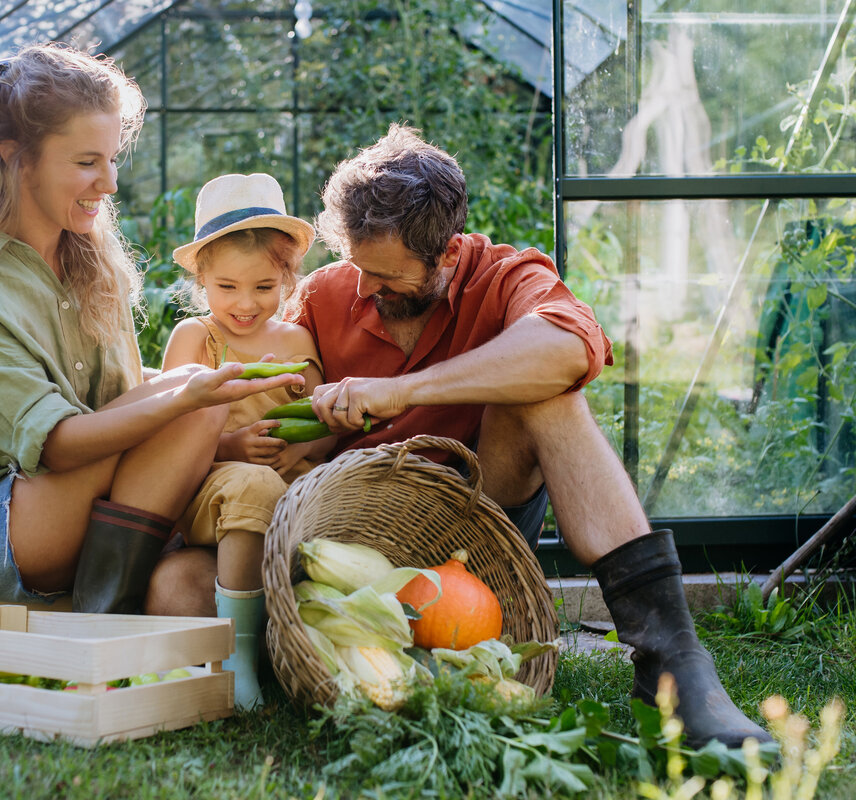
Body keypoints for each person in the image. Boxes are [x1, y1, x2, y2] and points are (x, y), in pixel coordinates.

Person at [285, 124, 772, 750]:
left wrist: (404, 392)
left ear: (450, 254)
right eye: (356, 265)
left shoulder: (506, 276)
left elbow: (567, 349)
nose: (363, 289)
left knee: (546, 390)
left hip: (479, 522)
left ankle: (671, 658)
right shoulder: (326, 295)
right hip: (360, 538)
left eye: (387, 275)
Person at [0, 43, 303, 617]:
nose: (110, 183)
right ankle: (114, 613)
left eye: (113, 159)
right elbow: (61, 444)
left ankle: (117, 596)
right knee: (191, 392)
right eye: (87, 162)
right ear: (16, 158)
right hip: (0, 526)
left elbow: (117, 399)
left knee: (196, 390)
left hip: (96, 502)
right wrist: (183, 398)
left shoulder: (91, 257)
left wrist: (196, 405)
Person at [161, 173, 332, 708]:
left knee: (318, 499)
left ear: (287, 278)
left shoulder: (297, 340)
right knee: (255, 485)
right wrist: (231, 447)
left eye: (264, 288)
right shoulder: (196, 338)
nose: (245, 303)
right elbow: (162, 436)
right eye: (226, 287)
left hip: (289, 484)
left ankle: (302, 649)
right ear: (202, 280)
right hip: (211, 488)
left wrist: (302, 448)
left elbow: (324, 425)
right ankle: (237, 661)